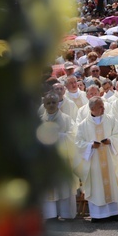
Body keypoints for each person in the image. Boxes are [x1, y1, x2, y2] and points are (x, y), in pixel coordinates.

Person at [74, 97, 118, 222]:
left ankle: (114, 213)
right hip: (93, 161)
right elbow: (78, 143)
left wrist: (110, 141)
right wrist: (90, 145)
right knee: (97, 186)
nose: (103, 108)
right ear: (92, 109)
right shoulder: (83, 125)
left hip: (109, 159)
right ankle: (98, 215)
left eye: (103, 105)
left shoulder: (111, 119)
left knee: (111, 183)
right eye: (100, 106)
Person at [40, 92, 77, 220]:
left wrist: (59, 136)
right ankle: (50, 215)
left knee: (63, 187)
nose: (51, 105)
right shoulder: (39, 121)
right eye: (48, 103)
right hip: (45, 161)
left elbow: (73, 136)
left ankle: (66, 214)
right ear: (44, 105)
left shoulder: (66, 119)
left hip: (63, 159)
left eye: (53, 102)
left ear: (58, 104)